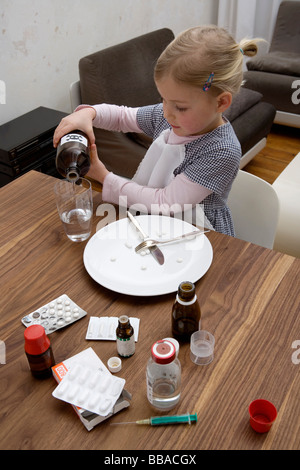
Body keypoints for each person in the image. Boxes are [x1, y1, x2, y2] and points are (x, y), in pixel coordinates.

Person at [53, 25, 261, 236]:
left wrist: (104, 177)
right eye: (163, 99)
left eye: (180, 107)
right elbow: (123, 116)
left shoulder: (221, 150)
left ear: (221, 102)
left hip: (200, 232)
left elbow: (166, 202)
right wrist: (89, 113)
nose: (167, 113)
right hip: (155, 219)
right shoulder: (170, 115)